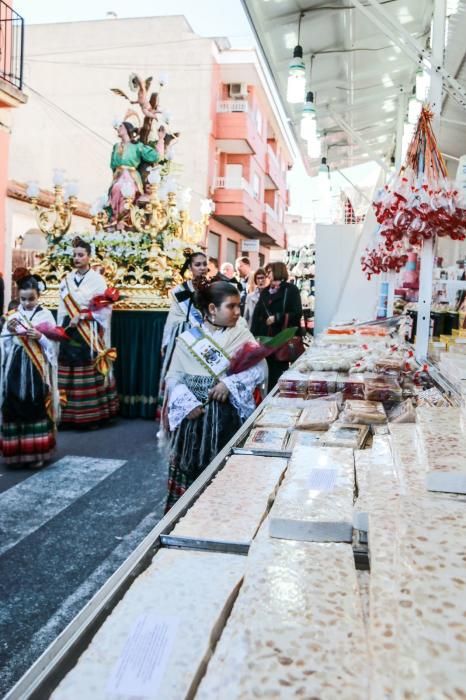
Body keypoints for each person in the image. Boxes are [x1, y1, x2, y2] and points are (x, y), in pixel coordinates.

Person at [164, 280, 265, 510]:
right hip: (192, 423)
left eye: (239, 305)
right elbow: (173, 377)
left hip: (226, 420)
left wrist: (230, 383)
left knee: (226, 477)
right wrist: (185, 402)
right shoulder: (188, 339)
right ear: (212, 309)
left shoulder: (242, 335)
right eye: (231, 306)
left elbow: (259, 370)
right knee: (190, 475)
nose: (238, 312)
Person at [57, 237, 119, 428]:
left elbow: (104, 309)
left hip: (89, 330)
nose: (77, 258)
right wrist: (62, 325)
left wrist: (84, 316)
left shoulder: (97, 280)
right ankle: (67, 416)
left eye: (81, 255)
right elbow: (62, 306)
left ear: (89, 257)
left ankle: (91, 416)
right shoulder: (66, 279)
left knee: (87, 367)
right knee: (68, 366)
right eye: (74, 255)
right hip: (70, 329)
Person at [0, 270, 59, 468]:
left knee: (34, 403)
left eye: (31, 299)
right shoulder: (13, 316)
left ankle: (37, 452)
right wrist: (7, 334)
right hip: (15, 366)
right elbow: (4, 343)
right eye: (23, 299)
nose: (26, 303)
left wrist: (40, 337)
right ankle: (15, 452)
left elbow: (53, 345)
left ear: (38, 296)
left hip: (35, 367)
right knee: (13, 402)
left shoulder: (46, 315)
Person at [251, 261, 303, 390]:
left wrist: (277, 318)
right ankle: (268, 398)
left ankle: (279, 395)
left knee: (279, 372)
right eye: (267, 271)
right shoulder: (266, 292)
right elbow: (257, 316)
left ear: (278, 271)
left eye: (270, 271)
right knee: (267, 373)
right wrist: (253, 337)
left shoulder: (290, 290)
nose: (267, 274)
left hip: (282, 339)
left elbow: (297, 313)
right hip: (266, 340)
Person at [160, 250, 208, 386]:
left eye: (204, 264)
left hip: (208, 339)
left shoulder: (213, 288)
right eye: (198, 265)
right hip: (185, 338)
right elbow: (173, 318)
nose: (202, 268)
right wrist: (166, 341)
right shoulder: (180, 291)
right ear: (190, 268)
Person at [108, 121, 164, 224]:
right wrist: (116, 174)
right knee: (116, 189)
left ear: (127, 129)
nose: (118, 128)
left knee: (127, 191)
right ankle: (117, 218)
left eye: (121, 126)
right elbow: (112, 165)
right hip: (118, 176)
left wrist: (161, 139)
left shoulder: (137, 146)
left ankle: (127, 219)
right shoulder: (116, 146)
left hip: (131, 176)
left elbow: (155, 156)